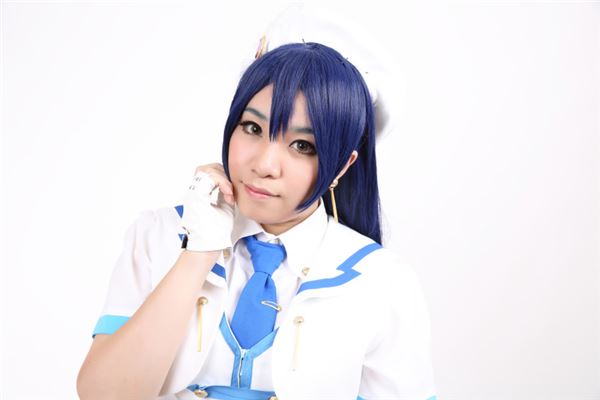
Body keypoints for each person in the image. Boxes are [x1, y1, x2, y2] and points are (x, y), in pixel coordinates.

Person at [77, 17, 437, 400]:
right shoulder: (159, 234)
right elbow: (103, 395)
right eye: (252, 128)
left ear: (342, 166)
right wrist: (198, 253)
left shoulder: (383, 281)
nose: (264, 164)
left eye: (303, 146)